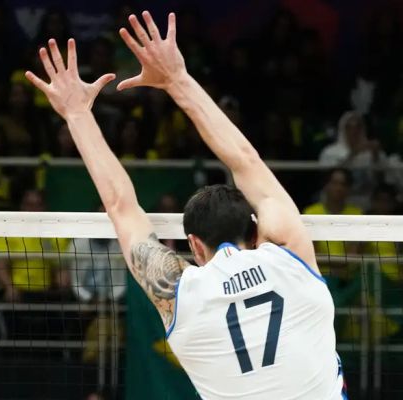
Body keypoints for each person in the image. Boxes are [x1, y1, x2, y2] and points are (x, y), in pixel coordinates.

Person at [26, 11, 345, 399]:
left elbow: (120, 206)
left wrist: (76, 114)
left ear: (193, 245)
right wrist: (178, 79)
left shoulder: (178, 291)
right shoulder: (290, 257)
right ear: (256, 228)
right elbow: (246, 159)